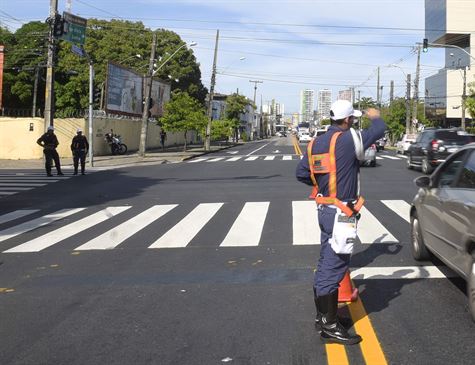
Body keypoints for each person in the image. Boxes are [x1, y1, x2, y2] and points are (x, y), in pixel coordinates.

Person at [296, 100, 386, 345]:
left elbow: (302, 173)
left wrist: (324, 187)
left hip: (325, 209)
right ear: (348, 120)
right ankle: (329, 325)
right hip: (341, 214)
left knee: (326, 260)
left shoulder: (315, 142)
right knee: (334, 266)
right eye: (353, 119)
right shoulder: (349, 138)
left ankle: (323, 317)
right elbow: (378, 130)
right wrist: (374, 116)